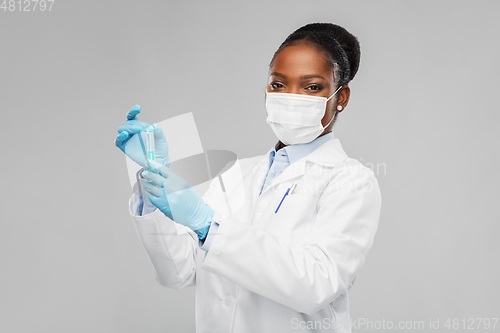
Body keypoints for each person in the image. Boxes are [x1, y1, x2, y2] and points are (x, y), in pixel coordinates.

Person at [115, 22, 381, 333]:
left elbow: (315, 285)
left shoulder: (351, 181)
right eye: (278, 85)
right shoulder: (236, 173)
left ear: (342, 97)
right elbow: (178, 273)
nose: (291, 97)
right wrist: (152, 182)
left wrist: (207, 226)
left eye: (311, 87)